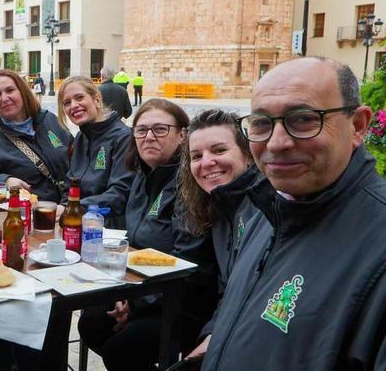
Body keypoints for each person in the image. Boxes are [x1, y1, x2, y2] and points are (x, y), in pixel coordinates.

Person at [199, 57, 386, 370]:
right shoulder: (267, 209)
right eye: (261, 123)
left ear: (358, 126)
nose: (277, 142)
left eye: (304, 119)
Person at [78, 98, 210, 371]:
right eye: (141, 130)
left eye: (160, 129)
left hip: (181, 301)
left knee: (122, 349)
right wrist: (122, 294)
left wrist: (136, 305)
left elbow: (187, 262)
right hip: (141, 289)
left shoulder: (188, 184)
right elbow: (133, 242)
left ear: (182, 134)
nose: (149, 137)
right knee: (90, 322)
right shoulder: (142, 175)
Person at [175, 109, 261, 355]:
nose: (207, 162)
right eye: (196, 156)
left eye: (219, 150)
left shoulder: (264, 209)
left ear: (248, 155)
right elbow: (229, 291)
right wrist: (211, 334)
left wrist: (215, 340)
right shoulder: (219, 209)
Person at [0, 69, 72, 202]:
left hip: (70, 206)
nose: (4, 98)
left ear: (23, 92)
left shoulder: (50, 120)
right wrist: (5, 181)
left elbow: (77, 160)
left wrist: (68, 205)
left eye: (10, 90)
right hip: (32, 215)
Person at [58, 76, 132, 227]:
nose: (74, 105)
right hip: (77, 223)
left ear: (96, 99)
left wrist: (77, 207)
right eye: (67, 103)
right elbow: (70, 184)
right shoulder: (80, 137)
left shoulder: (123, 137)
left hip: (109, 229)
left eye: (79, 97)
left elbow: (120, 194)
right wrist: (63, 206)